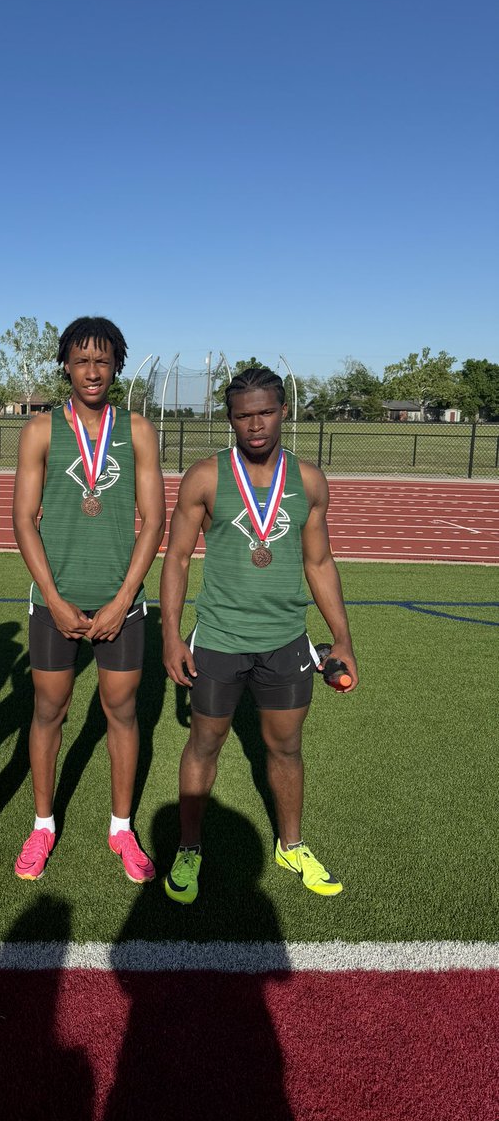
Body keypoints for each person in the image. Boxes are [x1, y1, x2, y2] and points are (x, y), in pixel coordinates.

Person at [160, 366, 358, 904]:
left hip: (287, 640)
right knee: (204, 743)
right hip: (220, 639)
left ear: (283, 412)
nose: (255, 425)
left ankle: (291, 845)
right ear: (230, 419)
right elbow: (176, 558)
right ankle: (189, 847)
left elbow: (319, 563)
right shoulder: (205, 477)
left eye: (265, 412)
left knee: (286, 747)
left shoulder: (310, 481)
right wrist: (172, 635)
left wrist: (341, 638)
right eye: (244, 415)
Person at [12, 317, 166, 883]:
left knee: (122, 714)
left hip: (120, 605)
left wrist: (125, 598)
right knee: (48, 711)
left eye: (102, 361)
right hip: (55, 604)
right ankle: (43, 825)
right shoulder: (42, 430)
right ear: (67, 366)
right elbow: (22, 520)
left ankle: (121, 828)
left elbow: (154, 520)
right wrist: (51, 597)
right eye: (81, 361)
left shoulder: (140, 430)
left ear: (117, 365)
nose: (92, 371)